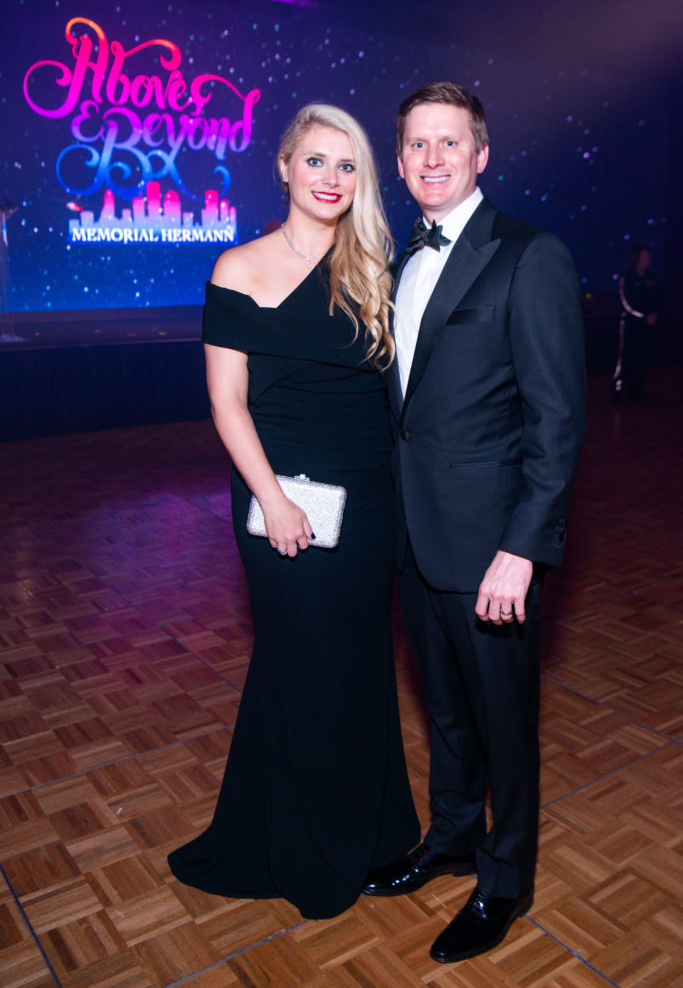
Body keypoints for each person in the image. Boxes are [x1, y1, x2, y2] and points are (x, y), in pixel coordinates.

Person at [167, 103, 419, 920]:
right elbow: (226, 402)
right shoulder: (237, 265)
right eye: (314, 160)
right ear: (283, 166)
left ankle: (372, 833)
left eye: (346, 166)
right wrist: (272, 499)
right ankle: (298, 847)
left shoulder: (374, 265)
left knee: (359, 667)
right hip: (282, 502)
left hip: (368, 503)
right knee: (299, 665)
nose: (330, 178)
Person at [362, 82, 586, 962]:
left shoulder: (529, 255)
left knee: (503, 723)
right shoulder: (394, 262)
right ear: (399, 158)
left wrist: (521, 549)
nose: (431, 158)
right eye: (416, 143)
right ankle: (452, 837)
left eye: (448, 142)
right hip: (416, 540)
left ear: (480, 154)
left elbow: (555, 420)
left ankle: (505, 878)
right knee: (446, 710)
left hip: (492, 548)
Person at [611, 245, 660, 401]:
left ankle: (637, 390)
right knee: (626, 357)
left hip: (647, 326)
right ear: (636, 259)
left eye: (648, 257)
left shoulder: (651, 278)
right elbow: (626, 303)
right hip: (631, 325)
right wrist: (643, 316)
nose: (647, 260)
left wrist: (654, 313)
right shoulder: (627, 279)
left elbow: (657, 298)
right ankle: (618, 390)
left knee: (643, 357)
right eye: (644, 257)